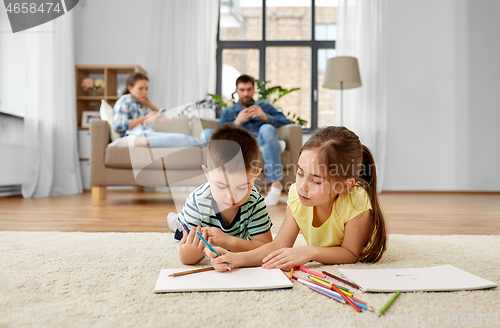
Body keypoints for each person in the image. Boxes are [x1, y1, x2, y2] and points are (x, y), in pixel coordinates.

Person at [205, 126, 388, 271]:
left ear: (343, 186)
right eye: (300, 173)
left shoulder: (356, 200)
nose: (302, 186)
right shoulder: (296, 196)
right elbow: (278, 245)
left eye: (315, 181)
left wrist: (310, 251)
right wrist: (236, 259)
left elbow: (350, 253)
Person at [168, 124, 273, 265]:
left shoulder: (255, 201)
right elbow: (186, 258)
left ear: (255, 176)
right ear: (207, 174)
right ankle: (175, 220)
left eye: (242, 187)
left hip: (227, 234)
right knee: (180, 227)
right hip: (192, 218)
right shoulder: (196, 201)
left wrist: (229, 241)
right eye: (222, 186)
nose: (231, 197)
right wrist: (190, 255)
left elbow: (266, 249)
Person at [201, 75, 291, 206]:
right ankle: (269, 147)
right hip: (238, 144)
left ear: (254, 90)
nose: (246, 93)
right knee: (206, 134)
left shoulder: (264, 106)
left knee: (267, 128)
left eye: (249, 89)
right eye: (242, 90)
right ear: (236, 90)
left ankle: (276, 184)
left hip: (260, 138)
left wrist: (265, 116)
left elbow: (286, 122)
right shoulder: (229, 111)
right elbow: (221, 135)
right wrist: (236, 122)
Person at [110, 72, 199, 148]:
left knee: (190, 140)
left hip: (147, 134)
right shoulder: (126, 100)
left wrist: (149, 104)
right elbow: (118, 125)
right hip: (137, 135)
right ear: (130, 88)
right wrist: (145, 119)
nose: (144, 92)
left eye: (146, 89)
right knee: (188, 141)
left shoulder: (140, 106)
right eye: (140, 89)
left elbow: (166, 118)